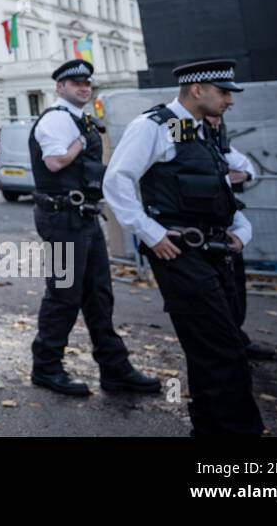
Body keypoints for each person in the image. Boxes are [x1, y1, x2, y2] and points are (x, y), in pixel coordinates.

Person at [102, 59, 265, 435]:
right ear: (197, 90)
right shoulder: (153, 126)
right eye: (223, 92)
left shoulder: (197, 130)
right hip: (181, 253)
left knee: (212, 350)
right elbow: (118, 181)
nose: (230, 101)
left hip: (216, 252)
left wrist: (241, 228)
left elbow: (223, 183)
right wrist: (151, 233)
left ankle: (209, 429)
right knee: (224, 352)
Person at [28, 59, 160, 396]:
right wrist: (80, 144)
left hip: (83, 217)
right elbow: (55, 161)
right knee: (64, 294)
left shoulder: (78, 118)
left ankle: (114, 369)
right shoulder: (57, 119)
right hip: (61, 218)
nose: (84, 88)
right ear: (60, 88)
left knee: (99, 296)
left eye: (87, 84)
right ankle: (46, 367)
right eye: (75, 84)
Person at [205, 113, 275, 361]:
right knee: (75, 289)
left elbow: (247, 168)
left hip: (82, 231)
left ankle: (235, 341)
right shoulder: (178, 134)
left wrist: (232, 177)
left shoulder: (213, 144)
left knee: (234, 291)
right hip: (75, 232)